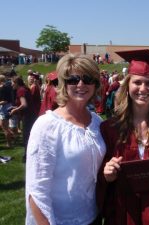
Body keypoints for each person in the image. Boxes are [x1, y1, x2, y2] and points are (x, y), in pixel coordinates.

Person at [96, 49, 149, 225]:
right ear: (127, 86)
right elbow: (97, 177)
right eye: (137, 82)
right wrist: (107, 174)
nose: (143, 88)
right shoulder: (109, 128)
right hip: (123, 213)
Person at [25, 54, 106, 225]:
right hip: (61, 220)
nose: (81, 84)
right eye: (73, 79)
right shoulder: (48, 125)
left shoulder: (97, 123)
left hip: (94, 216)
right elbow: (36, 189)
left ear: (95, 83)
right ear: (63, 83)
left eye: (87, 79)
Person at [10, 76, 35, 162]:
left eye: (12, 82)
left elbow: (24, 104)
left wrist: (15, 110)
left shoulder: (20, 90)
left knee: (26, 136)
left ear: (16, 83)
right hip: (31, 115)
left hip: (27, 116)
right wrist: (15, 107)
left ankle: (27, 157)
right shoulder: (24, 88)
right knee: (29, 135)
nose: (11, 84)